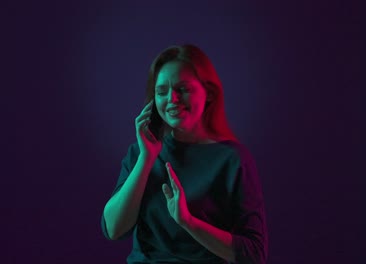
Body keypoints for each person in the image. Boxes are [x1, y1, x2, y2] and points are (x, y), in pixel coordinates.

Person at [101, 44, 268, 264]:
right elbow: (113, 229)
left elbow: (254, 255)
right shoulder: (140, 153)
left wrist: (188, 221)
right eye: (162, 92)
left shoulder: (232, 160)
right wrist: (146, 159)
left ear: (208, 93)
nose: (172, 99)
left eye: (183, 89)